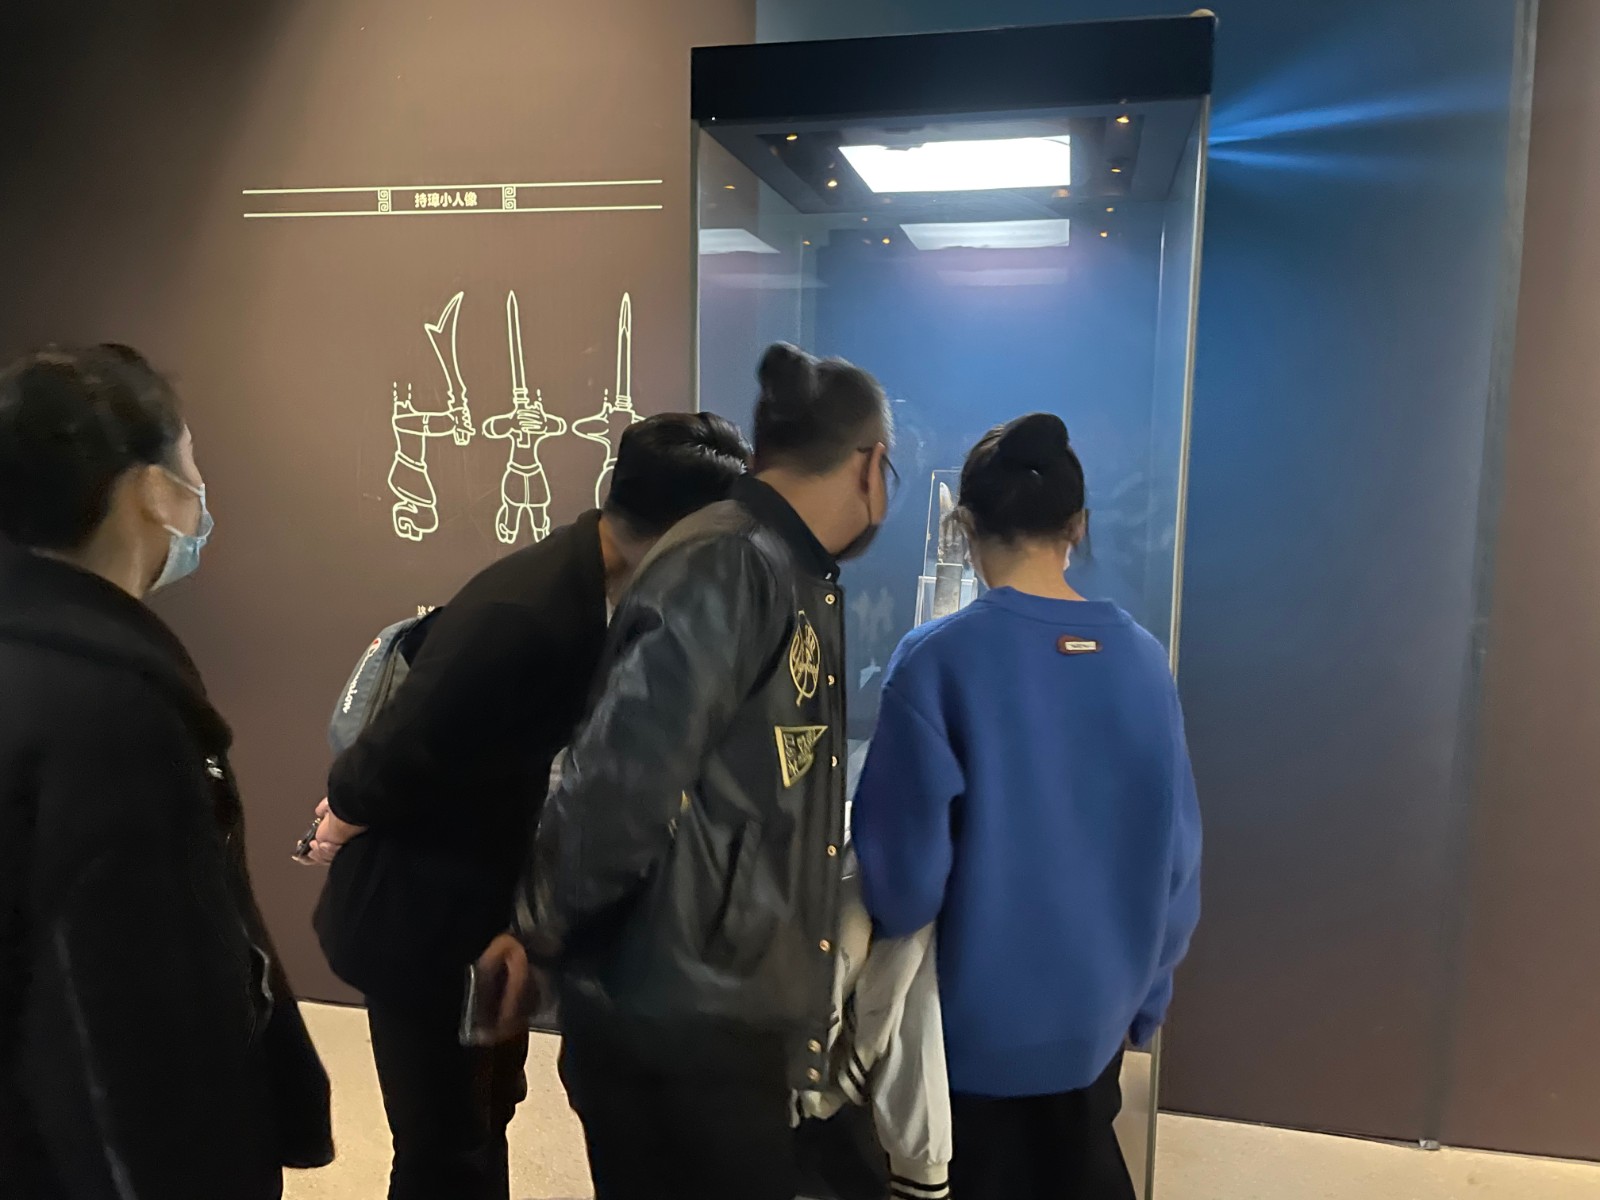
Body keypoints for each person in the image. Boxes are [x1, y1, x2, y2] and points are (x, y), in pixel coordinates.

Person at [477, 342, 895, 1200]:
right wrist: (541, 928)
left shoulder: (785, 567)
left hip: (720, 1012)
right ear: (870, 466)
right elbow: (620, 782)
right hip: (676, 1023)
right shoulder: (730, 562)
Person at [307, 412, 751, 1200]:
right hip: (419, 919)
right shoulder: (527, 613)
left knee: (485, 1114)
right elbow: (380, 763)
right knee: (444, 1148)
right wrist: (340, 820)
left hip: (479, 904)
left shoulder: (592, 591)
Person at [0, 344, 333, 1199]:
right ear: (151, 490)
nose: (198, 490)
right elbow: (128, 1031)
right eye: (190, 461)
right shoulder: (112, 712)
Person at [851, 412, 1203, 1200]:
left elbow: (904, 886)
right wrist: (1144, 1001)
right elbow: (1178, 864)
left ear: (964, 526)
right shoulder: (1144, 661)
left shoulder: (935, 660)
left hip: (971, 1046)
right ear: (1078, 525)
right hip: (1097, 1030)